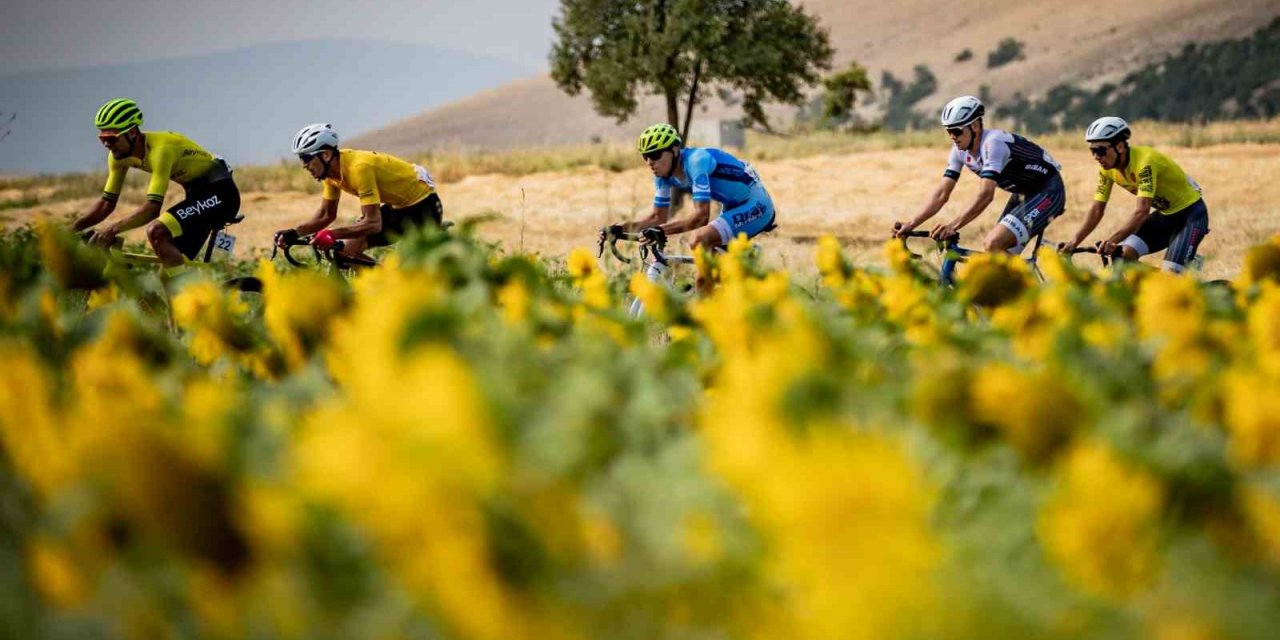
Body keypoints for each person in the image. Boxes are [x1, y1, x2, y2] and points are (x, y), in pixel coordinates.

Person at [601, 123, 776, 289]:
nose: (649, 162)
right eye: (645, 156)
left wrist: (661, 231)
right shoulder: (662, 176)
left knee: (699, 241)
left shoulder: (696, 161)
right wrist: (619, 229)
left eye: (655, 155)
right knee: (713, 272)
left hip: (755, 203)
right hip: (732, 207)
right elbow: (657, 218)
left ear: (674, 150)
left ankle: (703, 312)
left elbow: (701, 217)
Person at [74, 99, 240, 268]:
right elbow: (106, 204)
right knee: (169, 268)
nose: (107, 145)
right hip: (196, 197)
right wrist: (71, 229)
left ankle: (183, 292)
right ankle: (187, 292)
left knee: (157, 231)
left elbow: (152, 209)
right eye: (102, 139)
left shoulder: (161, 150)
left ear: (131, 133)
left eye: (111, 138)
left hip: (222, 195)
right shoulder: (117, 156)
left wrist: (111, 229)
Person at [893, 96, 1066, 254]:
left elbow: (985, 195)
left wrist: (953, 226)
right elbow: (941, 194)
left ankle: (1034, 288)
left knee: (993, 244)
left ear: (975, 126)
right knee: (997, 259)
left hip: (1048, 190)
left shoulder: (993, 144)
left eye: (957, 131)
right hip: (1023, 193)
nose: (953, 137)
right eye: (948, 131)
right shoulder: (958, 151)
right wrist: (911, 224)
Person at [1059, 117, 1209, 272]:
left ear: (1120, 146)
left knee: (1170, 274)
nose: (1097, 157)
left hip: (1191, 215)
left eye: (1100, 150)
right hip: (1165, 215)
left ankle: (1179, 276)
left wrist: (1113, 240)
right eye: (1092, 151)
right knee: (1123, 258)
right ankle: (1169, 281)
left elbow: (1142, 212)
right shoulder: (1107, 170)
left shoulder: (1145, 163)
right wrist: (1074, 242)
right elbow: (1097, 210)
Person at [275, 123, 443, 259]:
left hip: (423, 207)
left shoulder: (359, 168)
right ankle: (381, 288)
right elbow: (326, 215)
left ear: (325, 155)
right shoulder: (330, 175)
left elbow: (373, 224)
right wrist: (294, 233)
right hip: (397, 208)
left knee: (408, 265)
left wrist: (332, 234)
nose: (304, 165)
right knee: (344, 253)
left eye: (306, 158)